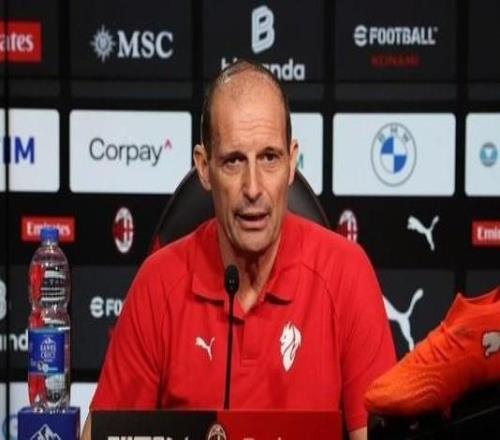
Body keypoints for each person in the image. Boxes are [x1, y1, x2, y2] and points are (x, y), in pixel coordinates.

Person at [82, 59, 395, 440]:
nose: (253, 188)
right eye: (233, 161)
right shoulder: (158, 285)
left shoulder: (346, 274)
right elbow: (100, 435)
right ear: (204, 168)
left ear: (292, 162)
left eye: (269, 158)